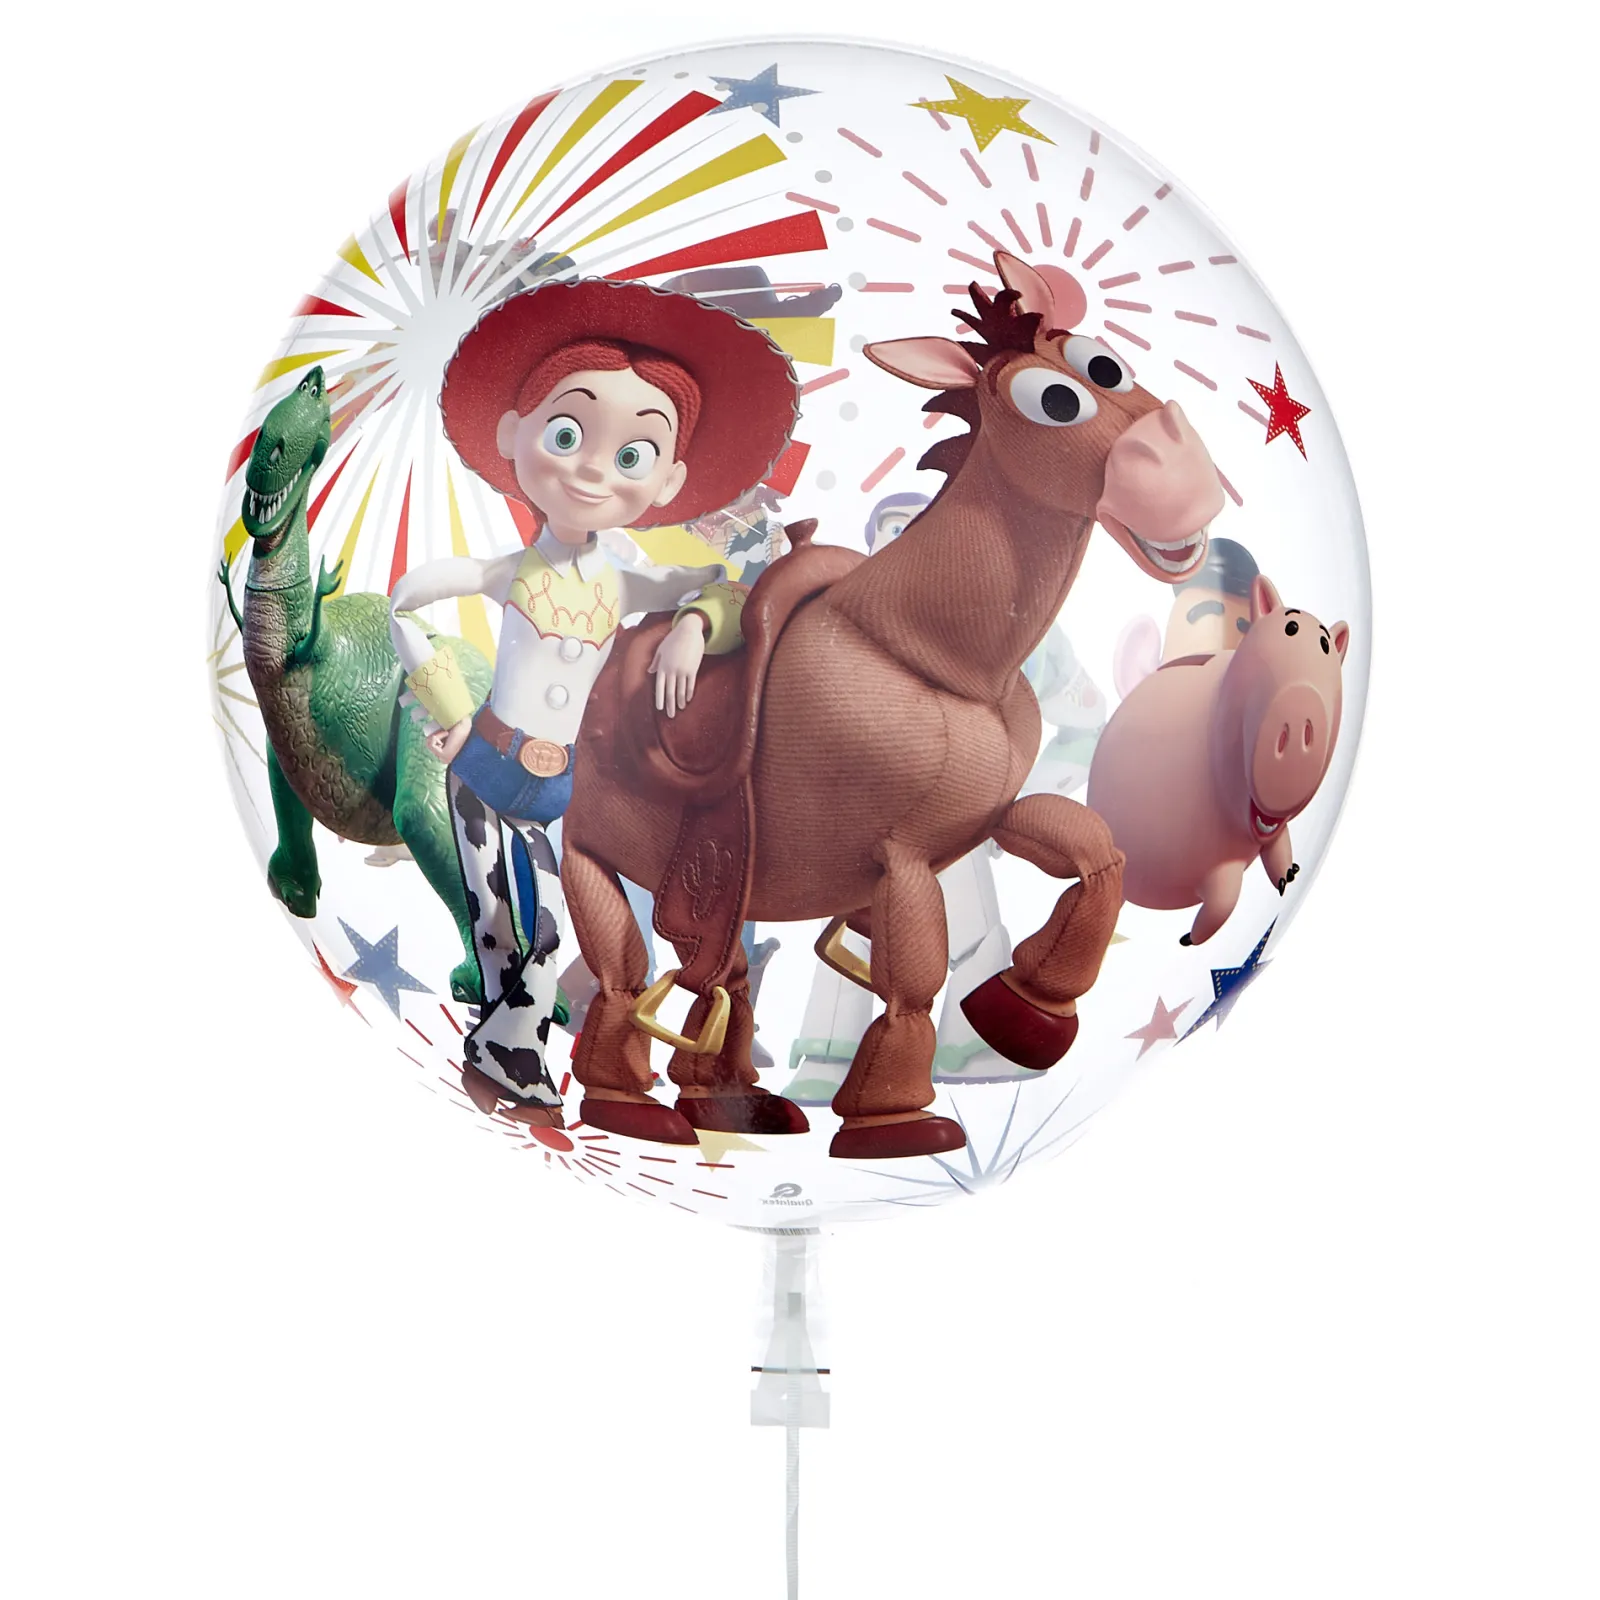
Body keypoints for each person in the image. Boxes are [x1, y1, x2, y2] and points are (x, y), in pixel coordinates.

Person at [391, 278, 798, 1126]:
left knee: (535, 929)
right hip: (485, 765)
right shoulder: (510, 571)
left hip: (556, 786)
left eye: (631, 456)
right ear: (517, 434)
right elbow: (406, 602)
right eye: (568, 434)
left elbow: (720, 585)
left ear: (667, 478)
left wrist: (693, 628)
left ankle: (505, 1052)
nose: (589, 469)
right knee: (508, 926)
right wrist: (448, 708)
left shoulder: (622, 581)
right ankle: (511, 1057)